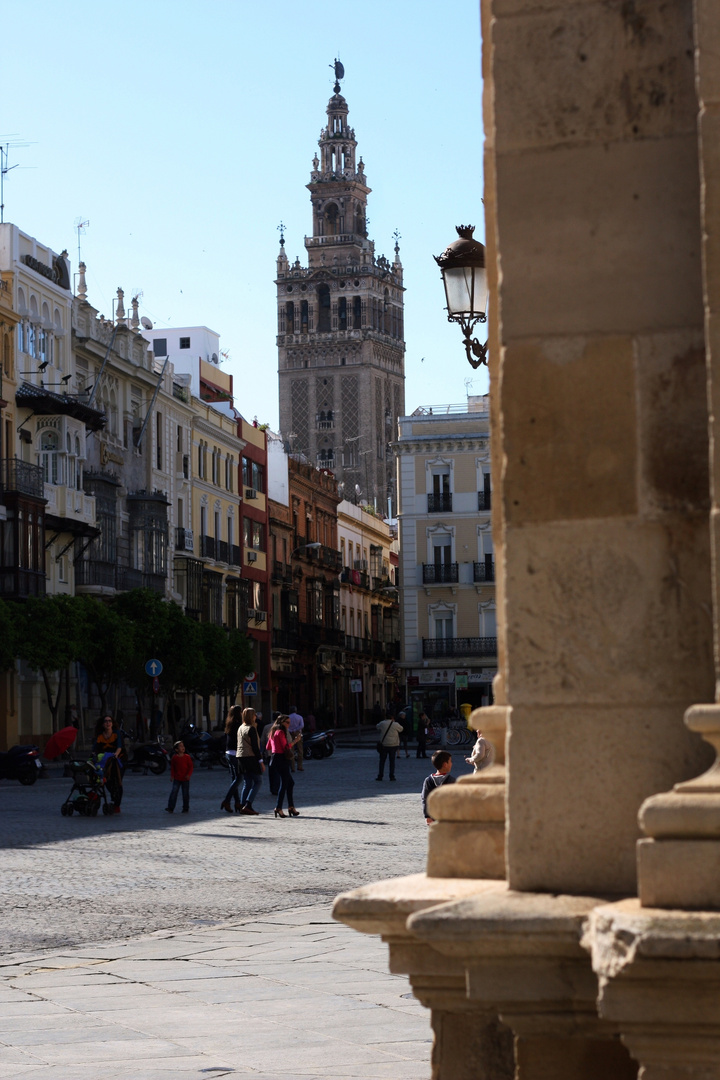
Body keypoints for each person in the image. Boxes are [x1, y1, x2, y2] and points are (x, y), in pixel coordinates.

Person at [267, 714, 301, 817]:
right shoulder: (280, 732)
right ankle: (278, 807)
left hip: (275, 758)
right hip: (281, 758)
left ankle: (291, 807)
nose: (288, 725)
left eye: (289, 723)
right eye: (287, 723)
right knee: (285, 783)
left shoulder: (272, 732)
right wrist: (296, 740)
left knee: (290, 783)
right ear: (281, 722)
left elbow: (268, 746)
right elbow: (286, 746)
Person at [236, 707, 265, 815]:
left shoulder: (241, 727)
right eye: (254, 715)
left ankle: (242, 805)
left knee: (247, 782)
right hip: (250, 757)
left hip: (241, 757)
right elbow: (255, 747)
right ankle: (248, 804)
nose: (255, 716)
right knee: (258, 781)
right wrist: (261, 761)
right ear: (250, 716)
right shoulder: (251, 728)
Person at [93, 715, 124, 813]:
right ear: (103, 724)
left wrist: (116, 755)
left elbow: (119, 746)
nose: (108, 723)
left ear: (112, 723)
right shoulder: (100, 736)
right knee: (106, 781)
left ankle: (117, 804)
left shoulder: (116, 734)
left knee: (118, 781)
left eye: (109, 721)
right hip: (105, 759)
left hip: (117, 758)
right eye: (106, 721)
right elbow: (95, 748)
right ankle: (113, 796)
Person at [221, 705, 244, 813]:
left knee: (235, 779)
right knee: (239, 778)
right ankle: (227, 800)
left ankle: (237, 803)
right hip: (235, 753)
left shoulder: (229, 723)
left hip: (228, 752)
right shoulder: (238, 724)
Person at [422, 751, 456, 824]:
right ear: (445, 764)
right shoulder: (451, 780)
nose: (451, 763)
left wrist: (427, 816)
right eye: (450, 761)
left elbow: (425, 799)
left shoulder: (428, 780)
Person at [165, 740, 193, 813]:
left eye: (183, 746)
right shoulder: (175, 758)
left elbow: (190, 767)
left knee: (185, 794)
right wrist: (172, 776)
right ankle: (171, 807)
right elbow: (173, 768)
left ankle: (185, 808)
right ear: (176, 749)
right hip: (177, 778)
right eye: (180, 746)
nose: (183, 747)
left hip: (185, 779)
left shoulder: (187, 757)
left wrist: (188, 775)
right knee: (174, 792)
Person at [375, 714, 404, 782]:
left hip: (384, 745)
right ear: (392, 718)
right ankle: (391, 776)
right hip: (393, 745)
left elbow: (377, 727)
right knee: (392, 762)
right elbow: (401, 729)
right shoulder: (395, 724)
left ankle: (380, 775)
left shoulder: (382, 723)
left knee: (382, 761)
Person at [287, 705, 305, 772]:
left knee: (291, 750)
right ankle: (300, 766)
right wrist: (295, 729)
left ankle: (292, 767)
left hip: (290, 733)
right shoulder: (299, 717)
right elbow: (302, 725)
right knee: (300, 750)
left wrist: (291, 730)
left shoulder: (288, 717)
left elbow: (286, 726)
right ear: (296, 710)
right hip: (298, 733)